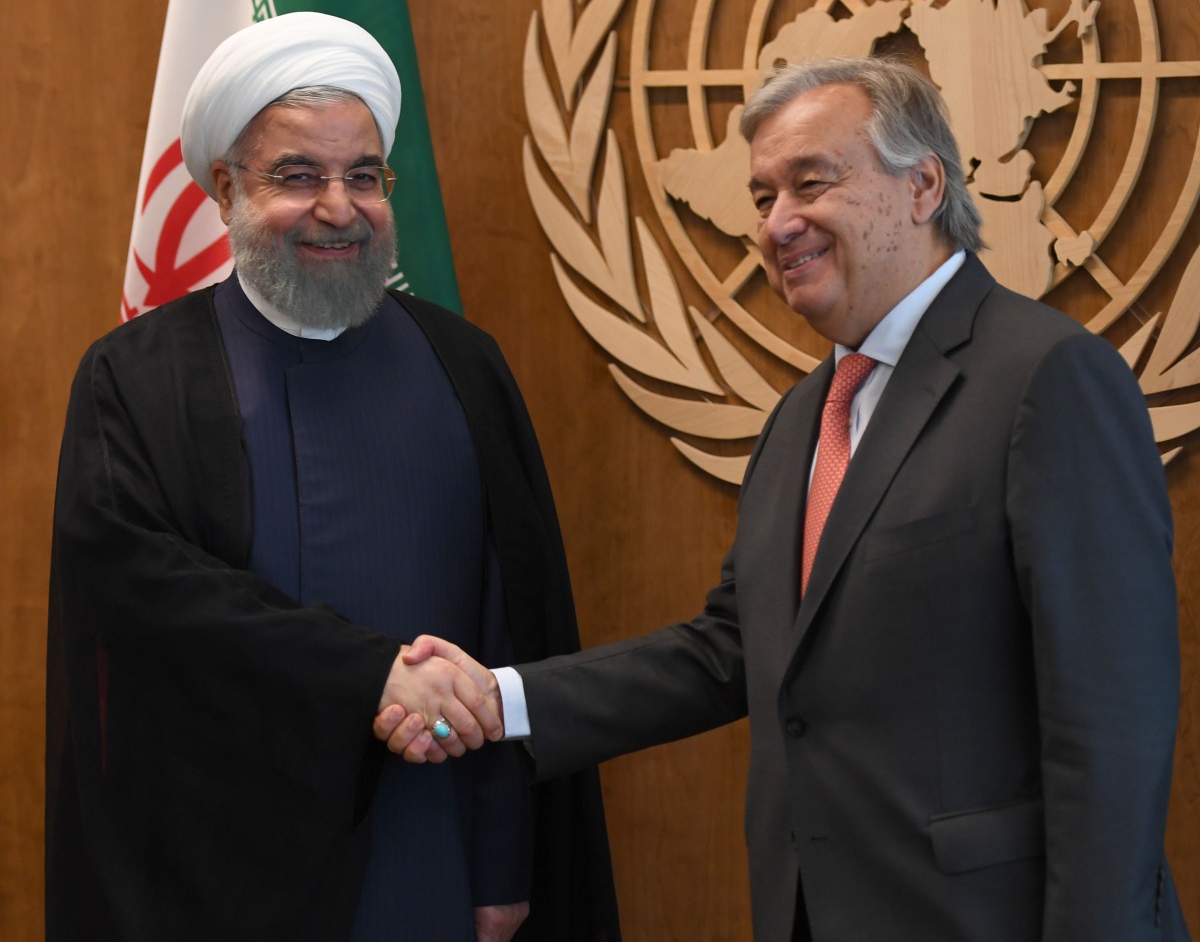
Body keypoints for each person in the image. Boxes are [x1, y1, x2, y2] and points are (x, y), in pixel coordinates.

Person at [379, 57, 1192, 942]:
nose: (777, 223)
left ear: (923, 187)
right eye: (762, 196)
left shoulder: (1047, 377)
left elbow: (1111, 725)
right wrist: (503, 698)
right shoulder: (806, 413)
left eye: (811, 183)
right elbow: (733, 648)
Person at [44, 11, 619, 942]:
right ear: (225, 187)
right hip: (217, 862)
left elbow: (516, 625)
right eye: (298, 176)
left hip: (427, 842)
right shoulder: (138, 375)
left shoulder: (463, 364)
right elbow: (144, 600)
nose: (339, 207)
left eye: (363, 176)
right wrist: (371, 675)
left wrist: (506, 860)